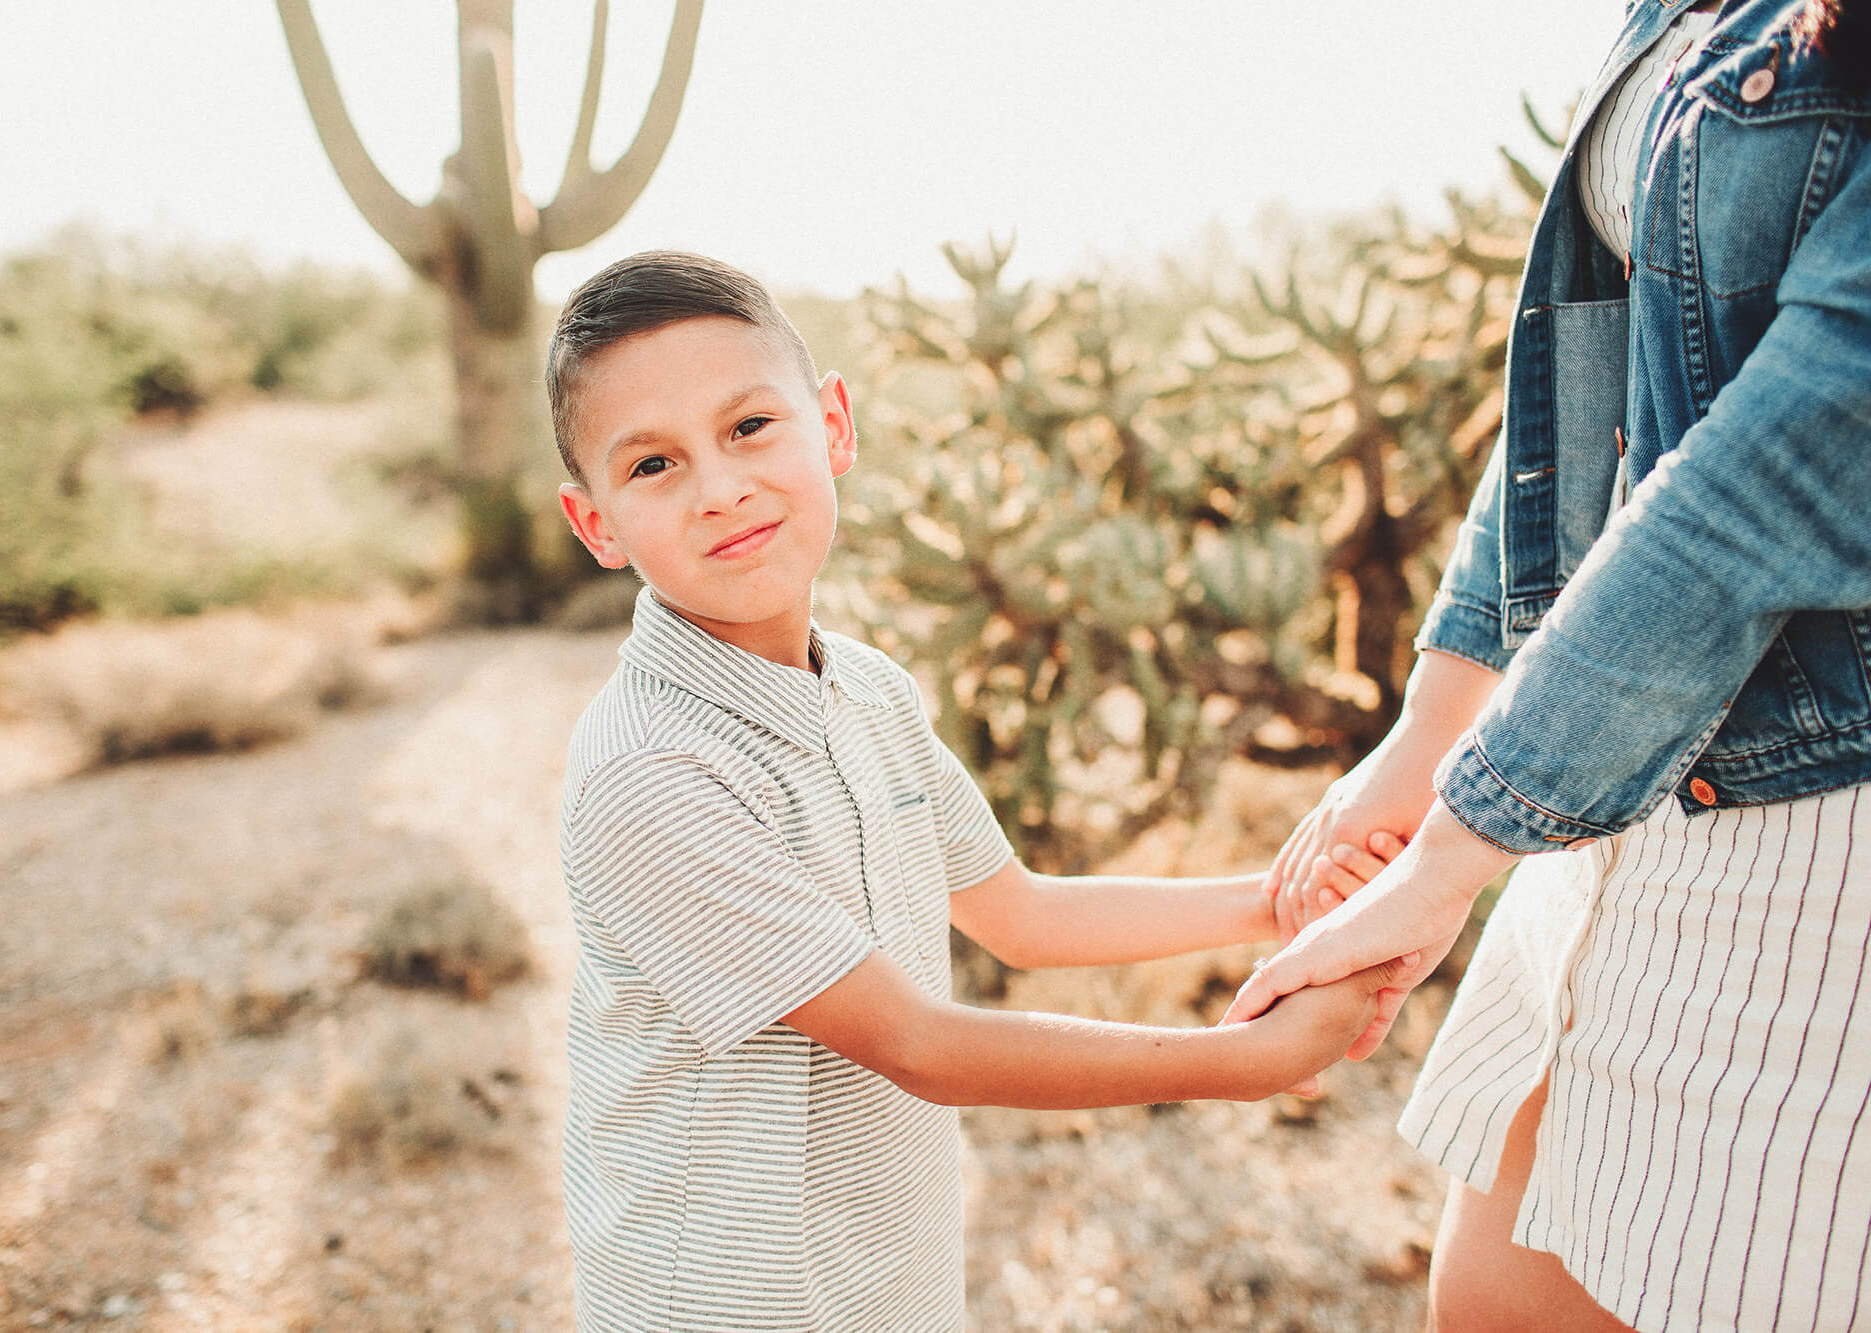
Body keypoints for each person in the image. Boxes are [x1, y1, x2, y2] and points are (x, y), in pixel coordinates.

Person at [546, 250, 1407, 1331]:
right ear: (596, 526)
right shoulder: (652, 772)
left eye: (747, 428)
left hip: (885, 1279)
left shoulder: (863, 688)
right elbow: (918, 1042)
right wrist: (1247, 1060)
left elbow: (1023, 915)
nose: (720, 488)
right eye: (653, 466)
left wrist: (1281, 902)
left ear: (834, 427)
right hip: (730, 1302)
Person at [1227, 1, 1871, 1329]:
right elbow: (1591, 392)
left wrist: (1457, 845)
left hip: (1818, 825)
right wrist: (1428, 739)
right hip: (1603, 747)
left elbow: (1767, 478)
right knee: (1496, 1297)